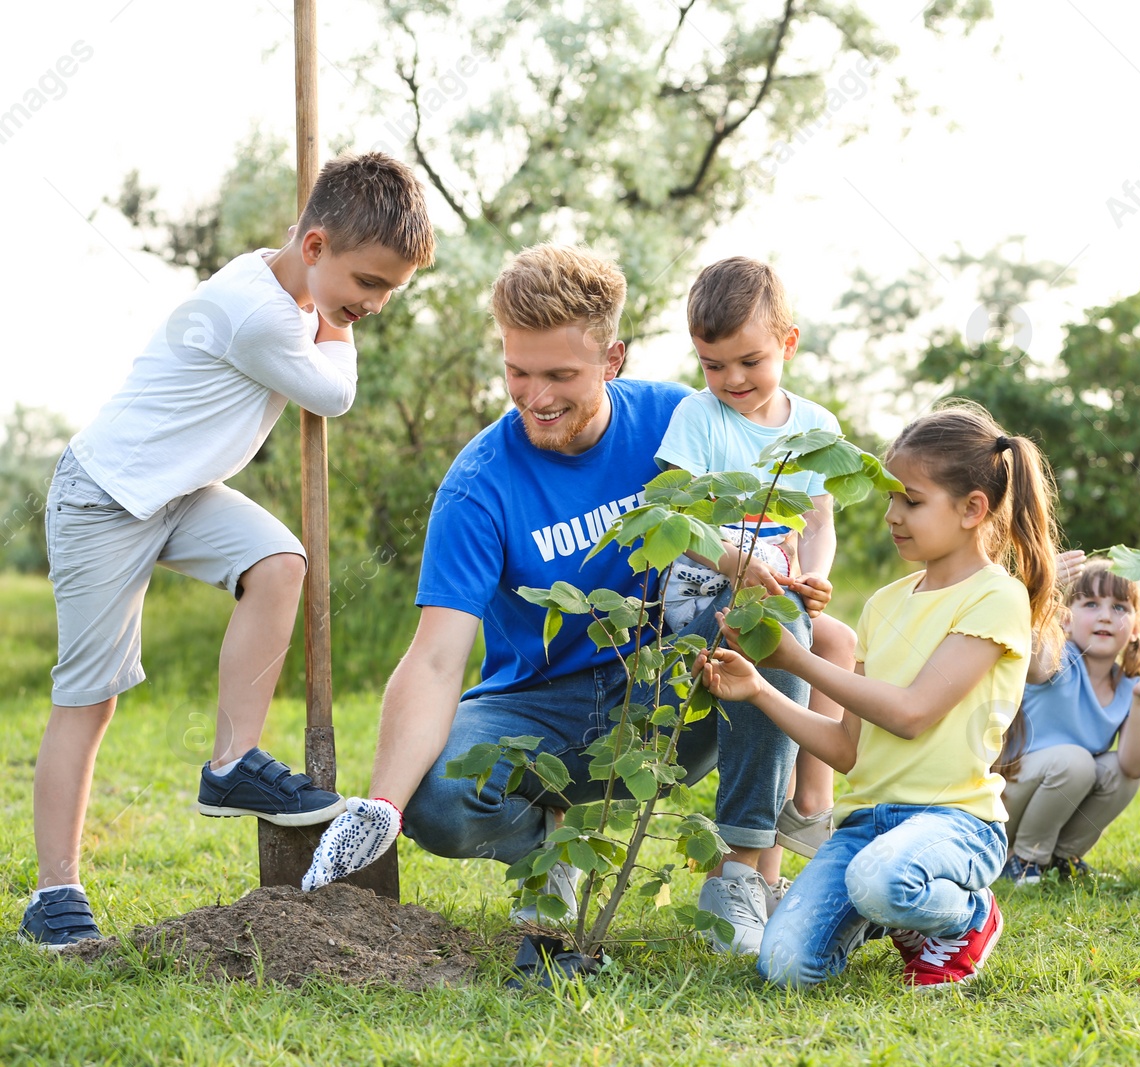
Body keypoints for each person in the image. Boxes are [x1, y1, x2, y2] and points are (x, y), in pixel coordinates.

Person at [300, 244, 815, 956]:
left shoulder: (678, 422)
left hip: (669, 693)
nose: (536, 397)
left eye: (561, 375)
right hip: (538, 703)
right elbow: (436, 659)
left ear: (612, 360)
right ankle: (552, 842)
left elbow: (770, 525)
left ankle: (740, 870)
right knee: (438, 797)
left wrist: (782, 569)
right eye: (518, 371)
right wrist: (381, 807)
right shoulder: (480, 482)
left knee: (773, 619)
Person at [19, 153, 435, 949]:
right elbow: (335, 393)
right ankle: (54, 893)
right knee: (91, 697)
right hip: (106, 496)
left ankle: (231, 762)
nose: (373, 305)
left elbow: (323, 333)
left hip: (177, 491)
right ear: (312, 247)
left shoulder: (283, 280)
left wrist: (332, 304)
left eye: (386, 290)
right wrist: (336, 322)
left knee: (278, 564)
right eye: (368, 285)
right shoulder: (261, 316)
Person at [697, 401, 1059, 989]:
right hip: (869, 828)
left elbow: (912, 715)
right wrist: (761, 688)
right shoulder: (883, 603)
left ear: (973, 509)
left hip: (955, 823)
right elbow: (847, 749)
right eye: (891, 496)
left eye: (911, 500)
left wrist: (798, 660)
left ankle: (968, 915)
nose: (892, 514)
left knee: (882, 879)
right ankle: (895, 914)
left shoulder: (996, 597)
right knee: (785, 966)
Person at [656, 256, 859, 901]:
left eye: (750, 361)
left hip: (777, 590)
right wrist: (733, 564)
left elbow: (819, 523)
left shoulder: (815, 428)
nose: (732, 379)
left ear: (788, 344)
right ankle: (750, 865)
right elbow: (679, 521)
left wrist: (816, 576)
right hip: (699, 587)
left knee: (838, 641)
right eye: (713, 365)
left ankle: (809, 801)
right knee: (778, 630)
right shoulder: (699, 417)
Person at [997, 558, 1140, 884]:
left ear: (1135, 629)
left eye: (1119, 607)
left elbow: (1136, 767)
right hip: (1002, 804)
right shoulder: (1057, 657)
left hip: (1051, 796)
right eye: (1091, 603)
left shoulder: (1130, 686)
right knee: (1076, 762)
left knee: (1119, 771)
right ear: (1065, 619)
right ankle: (1022, 860)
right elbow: (1033, 651)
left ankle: (1061, 859)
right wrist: (1042, 591)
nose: (1106, 615)